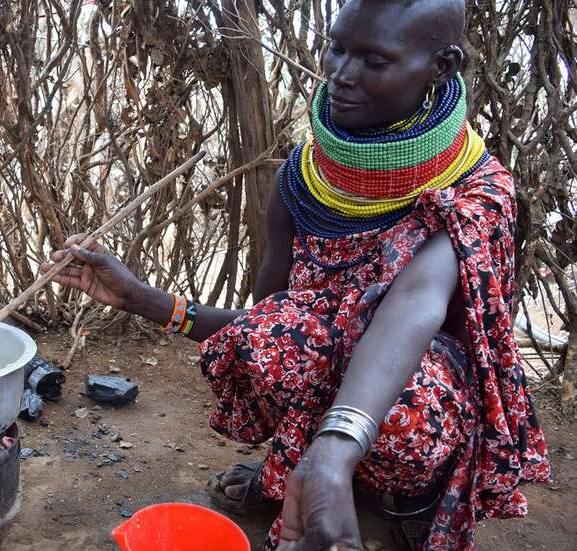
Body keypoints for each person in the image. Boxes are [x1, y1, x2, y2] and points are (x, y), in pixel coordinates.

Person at [40, 0, 550, 549]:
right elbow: (268, 323)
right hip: (336, 387)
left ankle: (408, 502)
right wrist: (141, 298)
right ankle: (306, 469)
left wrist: (336, 442)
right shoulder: (302, 181)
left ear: (442, 66)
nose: (341, 75)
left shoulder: (476, 193)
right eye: (338, 48)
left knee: (406, 403)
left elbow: (415, 304)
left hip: (426, 392)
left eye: (374, 61)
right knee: (271, 338)